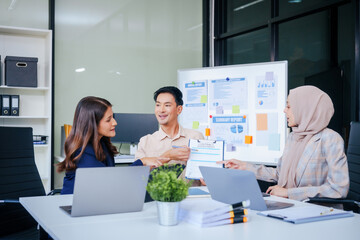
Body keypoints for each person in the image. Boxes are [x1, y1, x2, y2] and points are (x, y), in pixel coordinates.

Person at [219, 86, 349, 201]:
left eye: (289, 106)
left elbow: (338, 189)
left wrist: (289, 193)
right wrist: (245, 166)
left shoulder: (330, 139)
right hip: (290, 207)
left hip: (318, 213)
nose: (284, 111)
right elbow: (280, 174)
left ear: (305, 108)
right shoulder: (293, 137)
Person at [57, 96, 166, 194]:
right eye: (108, 120)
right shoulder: (83, 151)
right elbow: (111, 182)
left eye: (112, 117)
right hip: (73, 205)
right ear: (92, 124)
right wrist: (142, 162)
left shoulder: (103, 144)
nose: (115, 122)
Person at [134, 86, 204, 177]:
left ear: (179, 109)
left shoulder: (196, 137)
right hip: (157, 191)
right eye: (158, 105)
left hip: (189, 191)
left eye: (167, 105)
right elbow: (136, 176)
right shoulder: (146, 141)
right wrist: (168, 155)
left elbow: (204, 174)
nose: (161, 110)